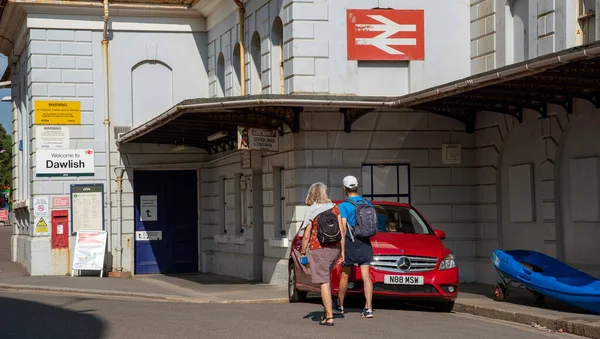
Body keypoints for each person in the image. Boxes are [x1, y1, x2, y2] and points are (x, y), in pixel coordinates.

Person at [300, 182, 345, 326]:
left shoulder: (312, 210)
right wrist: (342, 251)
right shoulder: (334, 207)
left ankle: (330, 316)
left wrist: (302, 252)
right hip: (334, 249)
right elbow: (342, 231)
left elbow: (306, 235)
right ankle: (326, 313)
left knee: (324, 282)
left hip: (318, 248)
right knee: (326, 278)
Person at [333, 175, 375, 318]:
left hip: (351, 242)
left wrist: (342, 250)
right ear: (356, 187)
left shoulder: (343, 206)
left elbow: (343, 229)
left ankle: (340, 305)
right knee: (366, 275)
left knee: (345, 274)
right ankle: (368, 308)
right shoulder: (366, 202)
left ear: (344, 188)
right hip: (365, 241)